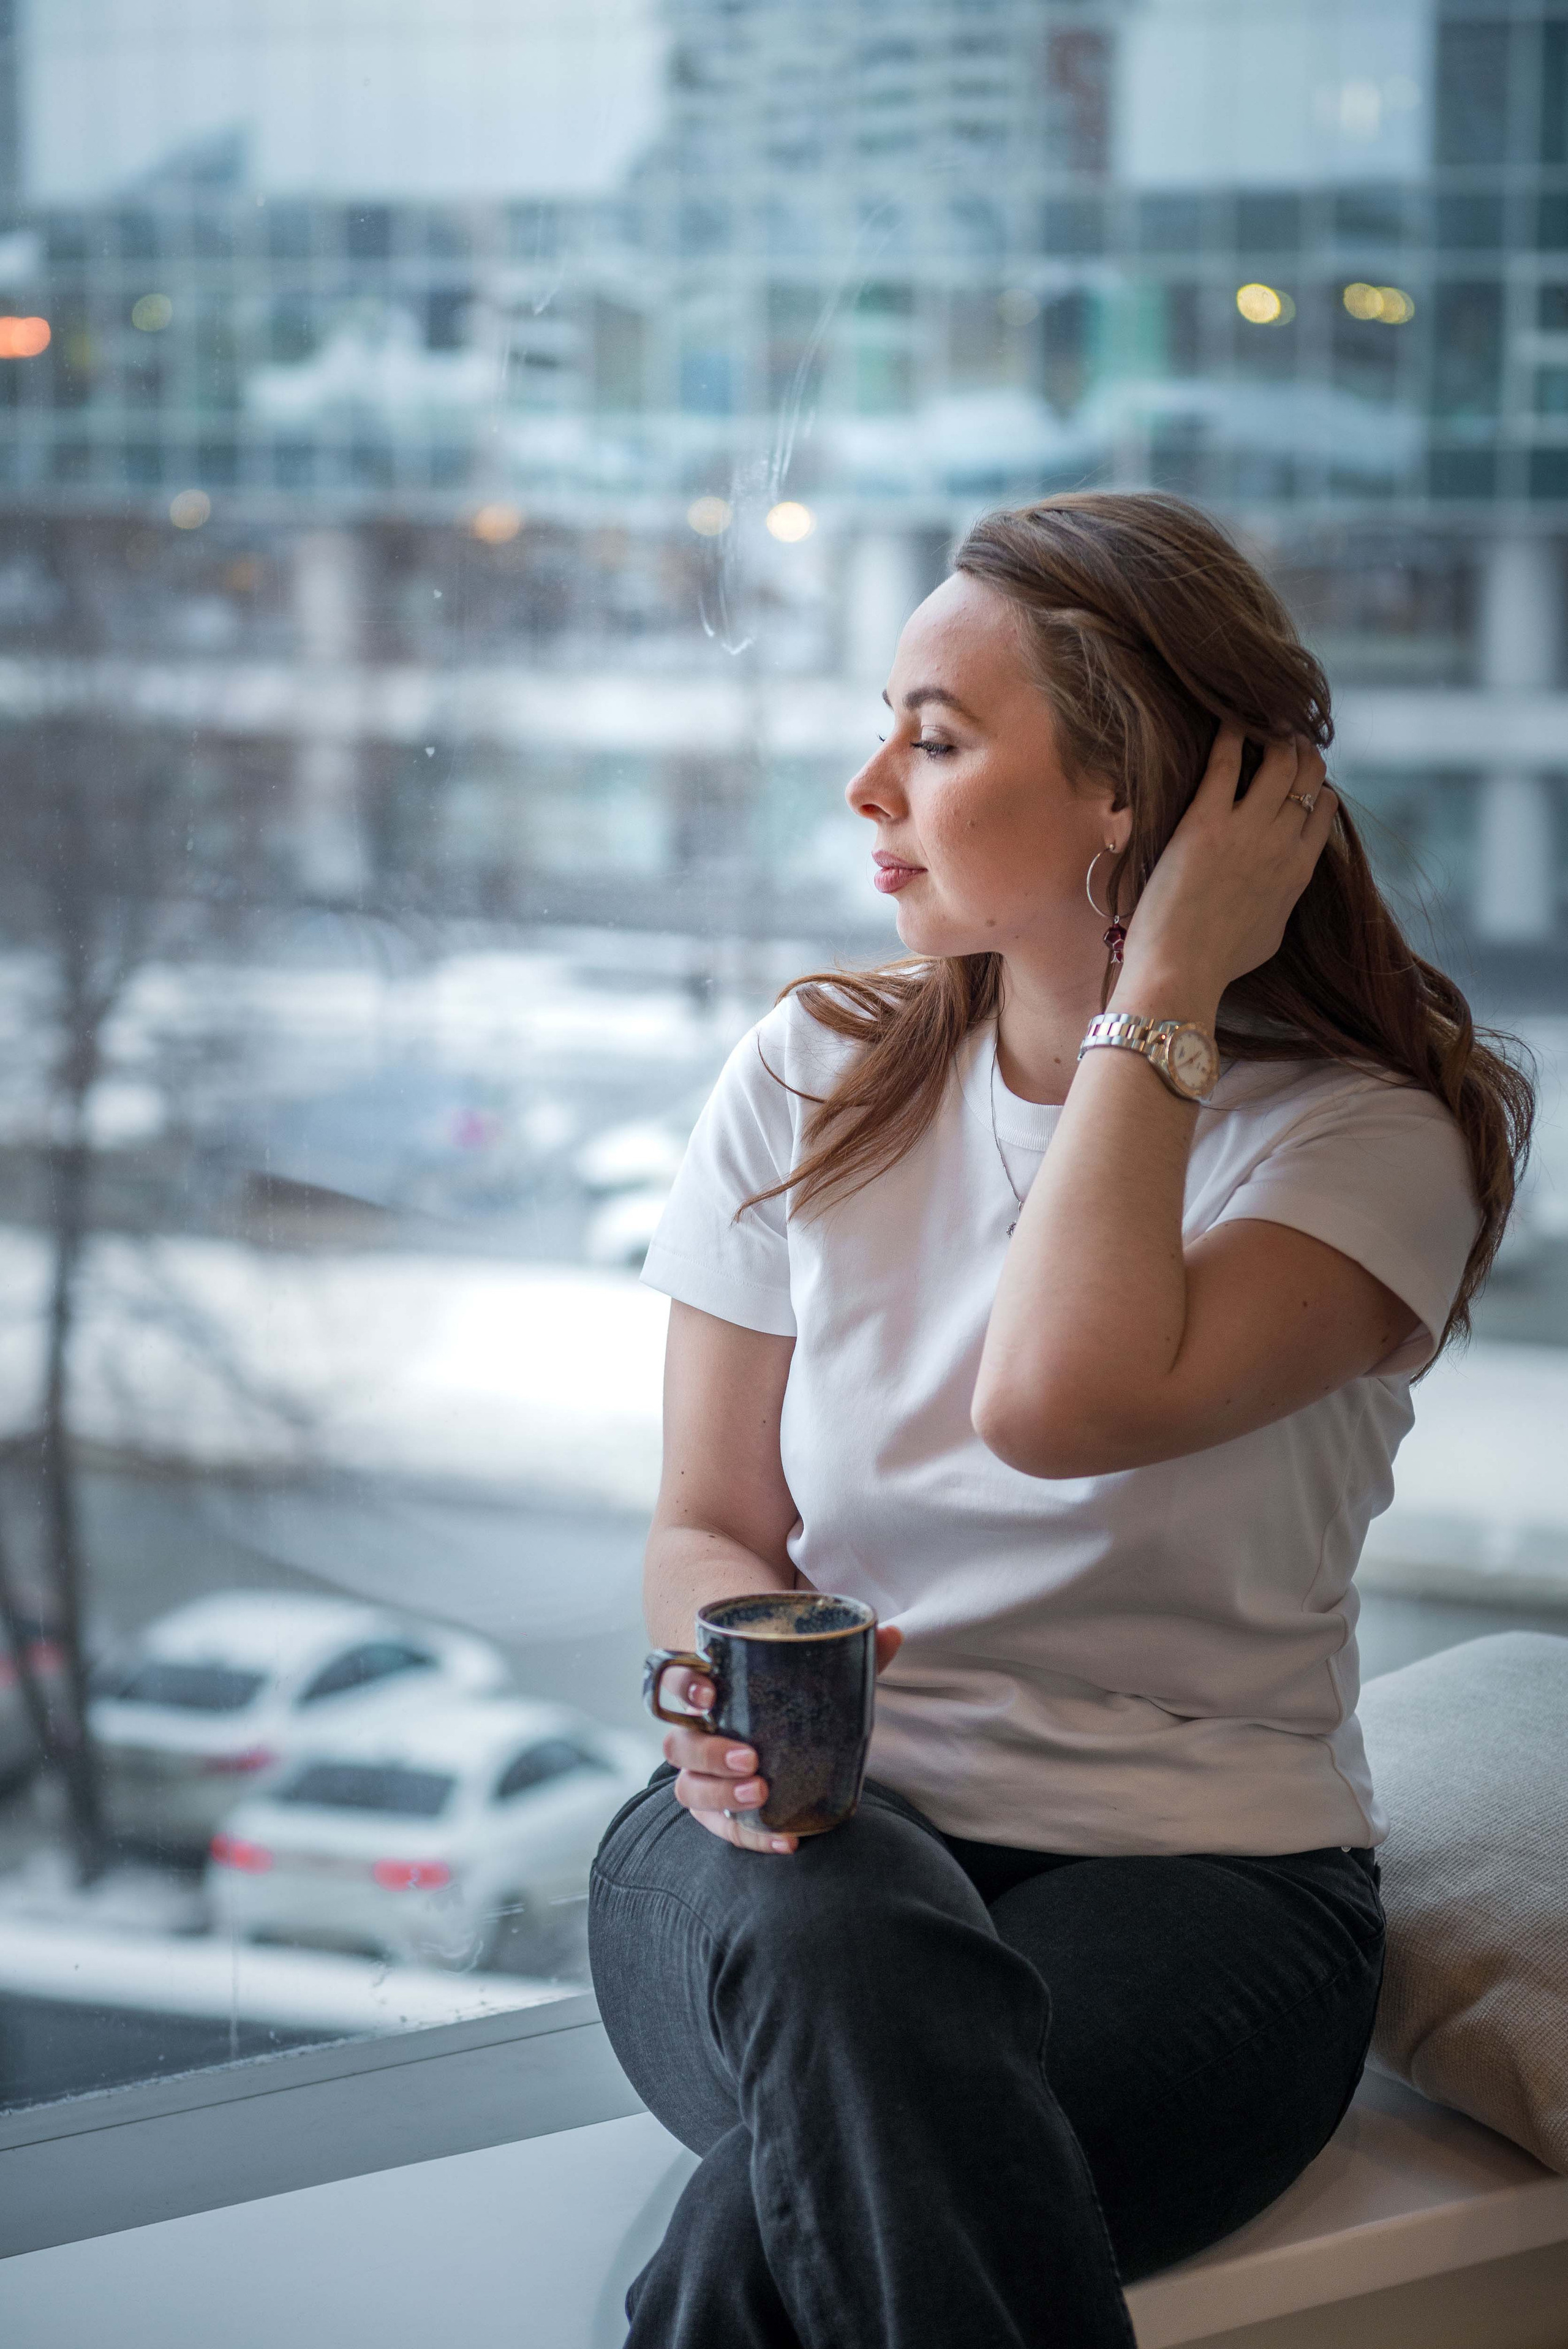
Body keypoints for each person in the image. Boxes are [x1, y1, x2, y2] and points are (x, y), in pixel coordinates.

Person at [587, 491, 1532, 2349]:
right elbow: (703, 1524)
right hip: (783, 1854)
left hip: (1202, 1895)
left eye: (936, 739)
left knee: (766, 2247)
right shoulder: (810, 1074)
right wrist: (727, 1681)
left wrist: (1161, 983)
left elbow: (1059, 1396)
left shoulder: (1369, 1139)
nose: (871, 785)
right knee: (846, 1934)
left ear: (1128, 799)